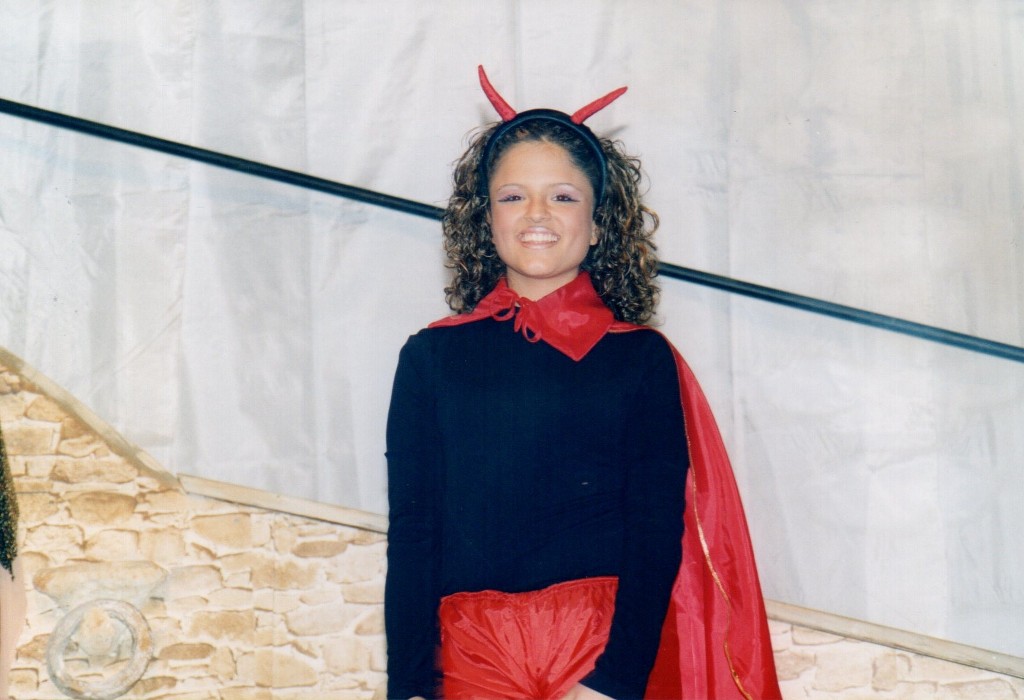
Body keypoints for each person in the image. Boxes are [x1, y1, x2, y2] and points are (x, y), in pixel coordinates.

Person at [385, 67, 781, 700]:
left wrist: (613, 682)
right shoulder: (429, 357)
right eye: (513, 197)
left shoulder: (640, 359)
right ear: (485, 220)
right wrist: (406, 687)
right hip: (468, 659)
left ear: (599, 224)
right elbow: (413, 532)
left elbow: (655, 531)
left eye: (564, 197)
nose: (537, 214)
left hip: (601, 656)